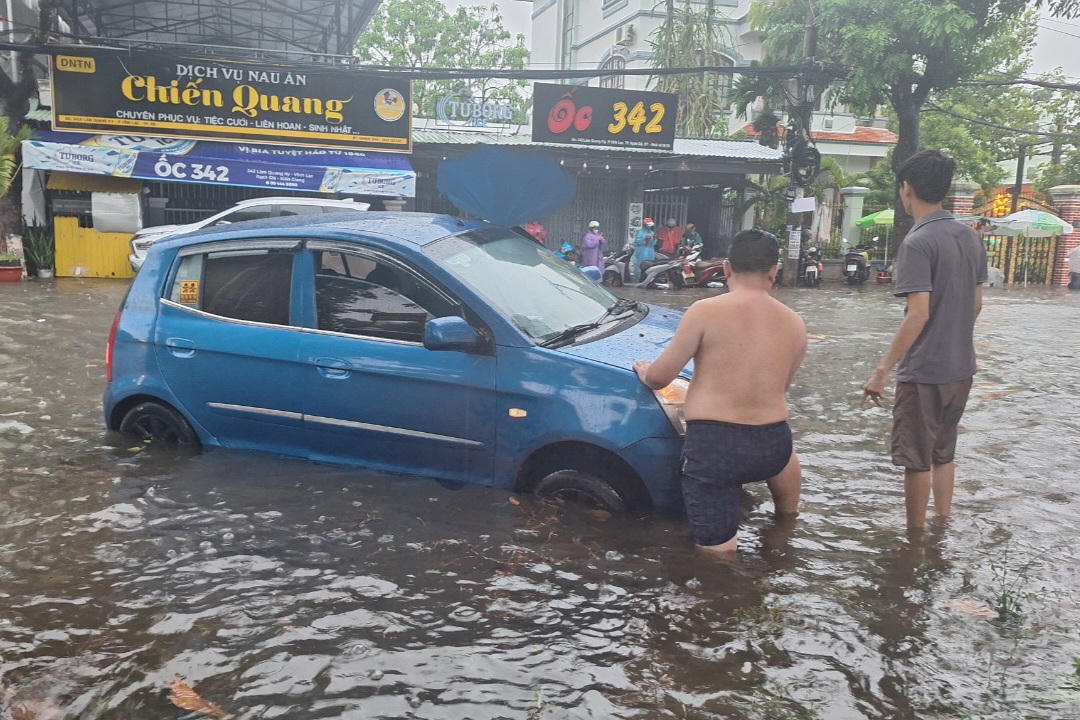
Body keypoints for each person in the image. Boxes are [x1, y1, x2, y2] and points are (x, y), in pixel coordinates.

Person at [634, 229, 807, 556]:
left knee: (717, 555)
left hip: (717, 447)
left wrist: (646, 372)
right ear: (774, 272)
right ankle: (786, 521)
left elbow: (660, 378)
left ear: (727, 268)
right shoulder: (795, 323)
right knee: (785, 453)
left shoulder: (704, 311)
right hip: (773, 445)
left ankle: (720, 587)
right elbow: (779, 388)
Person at [861, 150, 988, 533]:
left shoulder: (917, 242)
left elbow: (918, 314)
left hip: (925, 372)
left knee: (916, 459)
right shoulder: (970, 236)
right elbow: (977, 303)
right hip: (961, 368)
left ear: (906, 189)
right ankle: (941, 529)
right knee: (943, 453)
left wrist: (882, 371)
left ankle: (913, 541)